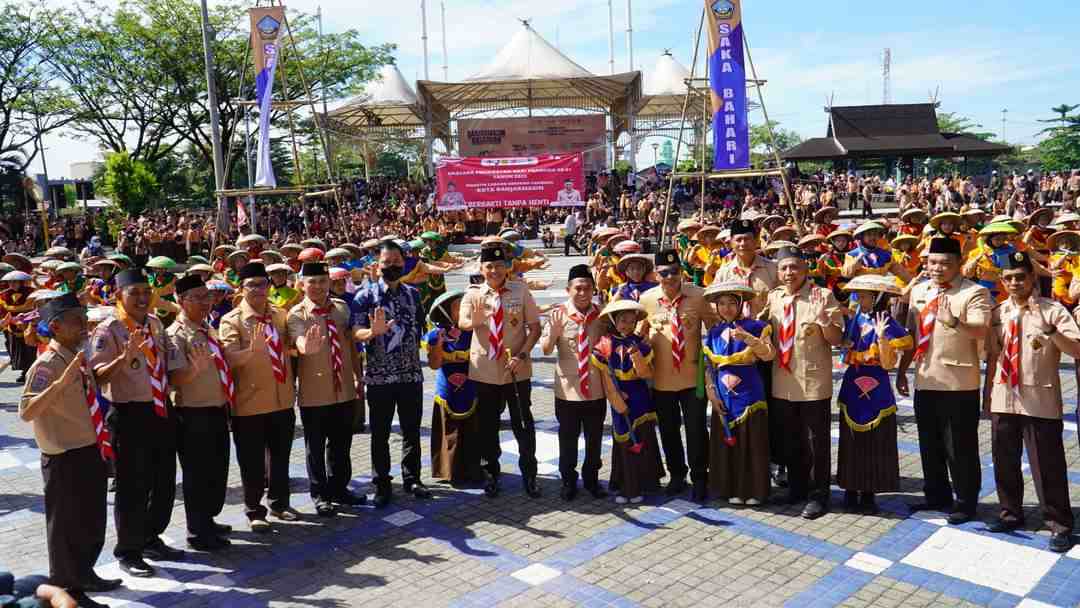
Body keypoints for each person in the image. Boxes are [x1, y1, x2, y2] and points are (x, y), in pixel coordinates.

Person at [19, 293, 122, 606]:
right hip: (63, 455)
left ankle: (85, 573)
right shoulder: (48, 364)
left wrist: (119, 361)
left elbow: (91, 389)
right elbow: (26, 411)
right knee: (66, 527)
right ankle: (68, 588)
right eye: (76, 320)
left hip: (88, 447)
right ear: (55, 326)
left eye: (83, 318)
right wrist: (59, 384)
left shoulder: (78, 355)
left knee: (91, 520)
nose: (83, 326)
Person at [983, 252, 1080, 552]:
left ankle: (1059, 523)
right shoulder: (998, 313)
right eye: (1009, 278)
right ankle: (1010, 513)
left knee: (1047, 463)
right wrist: (987, 397)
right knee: (1004, 459)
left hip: (1040, 398)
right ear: (1002, 281)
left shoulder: (1053, 311)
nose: (1014, 282)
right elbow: (992, 354)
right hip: (1004, 396)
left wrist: (1048, 328)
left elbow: (1076, 349)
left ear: (1032, 279)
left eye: (1020, 277)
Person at [90, 268, 182, 577]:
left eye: (147, 292)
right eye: (135, 293)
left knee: (164, 479)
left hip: (160, 409)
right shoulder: (108, 330)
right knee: (133, 486)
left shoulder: (155, 323)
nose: (143, 298)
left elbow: (168, 361)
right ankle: (128, 551)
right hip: (129, 415)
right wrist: (123, 356)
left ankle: (151, 536)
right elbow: (97, 376)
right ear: (119, 296)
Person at [896, 237, 992, 525]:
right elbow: (913, 334)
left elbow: (981, 331)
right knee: (930, 443)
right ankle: (936, 495)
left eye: (945, 263)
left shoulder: (974, 293)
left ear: (958, 265)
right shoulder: (921, 291)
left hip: (958, 383)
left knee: (960, 446)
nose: (937, 268)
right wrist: (902, 370)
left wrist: (953, 321)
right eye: (932, 262)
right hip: (925, 379)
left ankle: (965, 501)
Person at [765, 246, 844, 519]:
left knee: (816, 441)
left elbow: (836, 339)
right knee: (791, 439)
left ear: (805, 269)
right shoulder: (773, 298)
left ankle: (819, 494)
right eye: (784, 268)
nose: (789, 273)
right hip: (782, 380)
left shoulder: (822, 297)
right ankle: (797, 489)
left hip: (812, 381)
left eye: (795, 267)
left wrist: (824, 320)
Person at [458, 245, 543, 498]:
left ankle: (530, 475)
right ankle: (491, 474)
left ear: (507, 268)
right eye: (489, 266)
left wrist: (522, 354)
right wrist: (479, 318)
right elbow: (462, 323)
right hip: (485, 371)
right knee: (487, 427)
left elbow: (535, 327)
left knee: (523, 425)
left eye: (499, 266)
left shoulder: (520, 290)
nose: (494, 270)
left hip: (515, 369)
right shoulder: (473, 294)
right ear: (481, 269)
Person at [219, 262, 298, 532]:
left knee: (280, 457)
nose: (258, 290)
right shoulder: (232, 320)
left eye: (262, 284)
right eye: (251, 285)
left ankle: (280, 503)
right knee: (251, 462)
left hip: (282, 398)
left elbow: (290, 346)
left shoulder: (279, 315)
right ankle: (255, 510)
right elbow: (227, 359)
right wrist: (250, 352)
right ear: (241, 289)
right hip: (249, 404)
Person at [354, 241, 430, 507]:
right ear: (377, 266)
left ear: (404, 263)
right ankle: (382, 483)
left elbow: (422, 328)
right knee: (380, 433)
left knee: (411, 431)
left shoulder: (414, 294)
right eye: (387, 263)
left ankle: (412, 479)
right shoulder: (366, 296)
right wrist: (372, 333)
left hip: (410, 375)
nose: (392, 267)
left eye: (397, 262)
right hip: (379, 378)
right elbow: (355, 332)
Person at [289, 262, 368, 515]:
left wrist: (358, 377)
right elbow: (298, 339)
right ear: (302, 285)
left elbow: (352, 347)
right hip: (315, 392)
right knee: (315, 446)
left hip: (343, 387)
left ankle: (339, 489)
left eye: (322, 281)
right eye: (312, 282)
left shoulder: (342, 309)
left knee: (341, 443)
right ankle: (320, 494)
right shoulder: (297, 314)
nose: (318, 286)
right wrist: (305, 347)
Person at [165, 274, 233, 551]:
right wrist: (195, 370)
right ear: (181, 302)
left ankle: (208, 519)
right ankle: (198, 532)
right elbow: (174, 378)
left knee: (217, 470)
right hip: (193, 413)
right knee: (197, 475)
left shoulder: (207, 328)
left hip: (217, 407)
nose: (206, 302)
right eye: (198, 298)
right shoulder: (175, 335)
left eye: (208, 296)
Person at [640, 249, 713, 502]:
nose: (669, 277)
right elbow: (640, 334)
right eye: (663, 273)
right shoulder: (647, 299)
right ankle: (677, 474)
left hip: (693, 377)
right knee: (669, 430)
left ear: (681, 272)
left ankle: (700, 477)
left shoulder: (698, 295)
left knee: (696, 430)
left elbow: (715, 329)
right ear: (655, 274)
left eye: (674, 272)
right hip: (661, 379)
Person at [836, 275, 911, 515]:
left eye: (866, 295)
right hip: (852, 381)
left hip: (877, 381)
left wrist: (881, 337)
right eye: (859, 295)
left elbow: (898, 352)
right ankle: (849, 486)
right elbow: (845, 344)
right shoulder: (855, 316)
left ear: (877, 297)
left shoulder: (886, 320)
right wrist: (844, 343)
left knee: (874, 439)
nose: (860, 299)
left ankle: (869, 491)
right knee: (850, 437)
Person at [702, 282, 774, 506]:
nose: (726, 308)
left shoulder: (756, 326)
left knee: (751, 442)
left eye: (732, 303)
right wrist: (711, 393)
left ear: (740, 304)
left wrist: (748, 339)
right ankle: (729, 487)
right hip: (722, 394)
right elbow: (708, 366)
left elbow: (769, 355)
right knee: (727, 442)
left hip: (750, 393)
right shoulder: (714, 332)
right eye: (721, 304)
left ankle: (753, 490)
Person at [541, 264, 607, 501]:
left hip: (596, 389)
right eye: (578, 288)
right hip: (567, 390)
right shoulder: (558, 314)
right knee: (567, 438)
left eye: (587, 288)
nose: (582, 293)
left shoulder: (601, 316)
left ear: (593, 290)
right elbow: (547, 350)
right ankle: (568, 480)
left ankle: (591, 479)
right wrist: (554, 332)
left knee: (594, 437)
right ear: (568, 289)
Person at [592, 299, 662, 504]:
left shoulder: (640, 344)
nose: (627, 325)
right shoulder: (605, 344)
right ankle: (626, 486)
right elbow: (605, 376)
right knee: (624, 438)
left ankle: (646, 483)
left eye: (632, 322)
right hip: (619, 396)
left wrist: (637, 358)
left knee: (643, 436)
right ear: (614, 321)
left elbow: (646, 374)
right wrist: (615, 397)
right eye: (623, 321)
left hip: (640, 396)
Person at [423, 290, 484, 486]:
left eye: (465, 305)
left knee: (473, 431)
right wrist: (438, 346)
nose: (463, 309)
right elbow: (433, 364)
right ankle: (451, 472)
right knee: (449, 431)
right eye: (458, 306)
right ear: (447, 310)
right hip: (447, 390)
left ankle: (474, 469)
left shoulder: (474, 330)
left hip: (471, 387)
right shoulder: (436, 333)